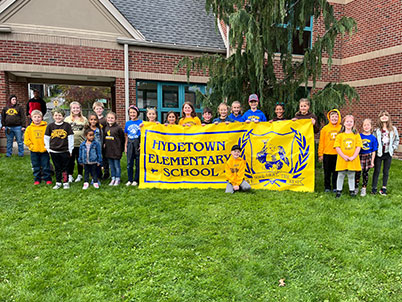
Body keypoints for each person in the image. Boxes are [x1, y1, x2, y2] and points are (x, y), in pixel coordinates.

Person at [44, 108, 74, 189]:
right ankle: (58, 182)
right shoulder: (50, 126)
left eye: (60, 115)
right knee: (57, 167)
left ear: (63, 116)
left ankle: (65, 182)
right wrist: (48, 148)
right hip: (54, 151)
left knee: (65, 167)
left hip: (64, 150)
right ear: (53, 116)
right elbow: (46, 138)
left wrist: (70, 149)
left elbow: (71, 138)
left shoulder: (67, 126)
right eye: (56, 115)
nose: (58, 117)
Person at [371, 110, 400, 196]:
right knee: (377, 170)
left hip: (388, 153)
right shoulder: (377, 130)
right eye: (382, 115)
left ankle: (383, 188)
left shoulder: (393, 129)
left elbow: (396, 140)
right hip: (379, 153)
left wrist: (393, 147)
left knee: (386, 171)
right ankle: (374, 188)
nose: (384, 117)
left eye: (386, 115)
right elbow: (374, 140)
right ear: (379, 118)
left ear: (388, 117)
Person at [334, 115, 362, 198]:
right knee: (341, 175)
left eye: (351, 122)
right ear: (344, 123)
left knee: (351, 175)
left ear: (353, 124)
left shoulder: (356, 135)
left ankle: (352, 191)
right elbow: (337, 147)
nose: (349, 123)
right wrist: (343, 156)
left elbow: (358, 146)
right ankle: (339, 191)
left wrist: (353, 156)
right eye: (347, 121)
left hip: (352, 158)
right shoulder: (340, 135)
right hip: (342, 158)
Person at [24, 110, 52, 185]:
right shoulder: (29, 128)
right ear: (31, 118)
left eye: (38, 117)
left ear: (42, 118)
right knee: (36, 166)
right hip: (34, 150)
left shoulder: (46, 127)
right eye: (35, 117)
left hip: (44, 150)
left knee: (46, 165)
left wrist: (47, 146)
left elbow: (50, 137)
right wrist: (31, 146)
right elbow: (26, 140)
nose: (37, 119)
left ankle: (47, 178)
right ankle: (37, 179)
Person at [318, 109, 342, 192]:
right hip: (327, 153)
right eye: (332, 117)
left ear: (339, 118)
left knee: (336, 172)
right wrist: (320, 154)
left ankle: (335, 186)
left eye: (336, 117)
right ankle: (327, 187)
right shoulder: (325, 129)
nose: (334, 118)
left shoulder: (341, 128)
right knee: (327, 172)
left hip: (338, 154)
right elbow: (321, 142)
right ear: (329, 117)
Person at [64, 101, 88, 183]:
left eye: (77, 108)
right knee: (70, 160)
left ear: (80, 109)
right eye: (74, 108)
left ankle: (80, 175)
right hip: (70, 144)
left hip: (81, 143)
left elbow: (87, 130)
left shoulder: (84, 119)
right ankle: (70, 175)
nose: (76, 109)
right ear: (71, 109)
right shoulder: (67, 119)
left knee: (80, 160)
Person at [355, 119, 378, 197]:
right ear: (362, 126)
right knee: (357, 173)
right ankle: (356, 187)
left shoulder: (373, 138)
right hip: (359, 156)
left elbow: (374, 151)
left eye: (368, 125)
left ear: (371, 126)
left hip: (368, 156)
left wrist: (372, 161)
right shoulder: (359, 136)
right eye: (365, 125)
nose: (366, 127)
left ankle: (364, 188)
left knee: (365, 173)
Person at [103, 112, 125, 186]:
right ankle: (113, 178)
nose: (110, 119)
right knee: (111, 166)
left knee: (117, 166)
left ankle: (117, 178)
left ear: (115, 119)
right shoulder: (106, 128)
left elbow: (122, 139)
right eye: (109, 118)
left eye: (112, 118)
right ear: (106, 119)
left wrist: (121, 150)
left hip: (116, 151)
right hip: (109, 151)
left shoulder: (118, 128)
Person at [125, 105, 142, 186]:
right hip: (130, 144)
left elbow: (144, 135)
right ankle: (130, 179)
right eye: (130, 112)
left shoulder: (141, 122)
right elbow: (126, 135)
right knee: (129, 163)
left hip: (137, 143)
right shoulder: (127, 123)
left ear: (137, 113)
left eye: (134, 112)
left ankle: (136, 180)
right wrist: (125, 146)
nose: (132, 114)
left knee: (138, 163)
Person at [92, 101, 109, 179]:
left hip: (103, 141)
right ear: (94, 110)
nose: (98, 110)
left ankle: (106, 172)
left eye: (100, 109)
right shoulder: (93, 119)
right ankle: (98, 173)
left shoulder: (105, 120)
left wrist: (105, 142)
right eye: (97, 109)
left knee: (104, 157)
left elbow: (107, 131)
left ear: (103, 109)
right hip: (95, 141)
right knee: (96, 157)